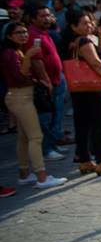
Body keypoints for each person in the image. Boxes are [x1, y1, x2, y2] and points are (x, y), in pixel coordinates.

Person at [1, 23, 66, 188]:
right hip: (20, 97)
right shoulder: (10, 54)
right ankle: (42, 177)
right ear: (9, 36)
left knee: (23, 138)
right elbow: (19, 77)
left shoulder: (17, 51)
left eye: (24, 32)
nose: (23, 35)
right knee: (36, 137)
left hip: (22, 96)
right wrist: (29, 57)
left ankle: (24, 174)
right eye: (18, 33)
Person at [61, 11, 101, 176]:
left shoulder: (75, 41)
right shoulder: (85, 42)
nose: (89, 25)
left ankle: (85, 161)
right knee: (98, 127)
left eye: (90, 22)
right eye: (84, 23)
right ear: (74, 27)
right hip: (94, 91)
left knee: (82, 126)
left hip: (80, 90)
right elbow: (96, 63)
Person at [23, 3, 68, 160]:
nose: (47, 18)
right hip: (47, 83)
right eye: (42, 16)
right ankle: (47, 149)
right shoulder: (33, 35)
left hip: (57, 79)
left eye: (48, 15)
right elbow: (37, 61)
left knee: (56, 115)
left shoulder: (45, 32)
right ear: (33, 18)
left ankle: (52, 145)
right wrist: (46, 81)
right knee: (47, 118)